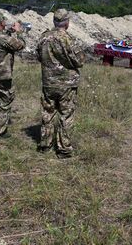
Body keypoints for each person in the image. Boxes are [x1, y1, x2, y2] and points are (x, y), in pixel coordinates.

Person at [36, 9, 84, 158]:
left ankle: (45, 145)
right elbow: (79, 60)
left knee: (47, 114)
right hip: (66, 85)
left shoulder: (44, 38)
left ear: (54, 22)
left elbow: (38, 56)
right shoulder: (68, 39)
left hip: (49, 83)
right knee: (66, 115)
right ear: (67, 22)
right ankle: (63, 149)